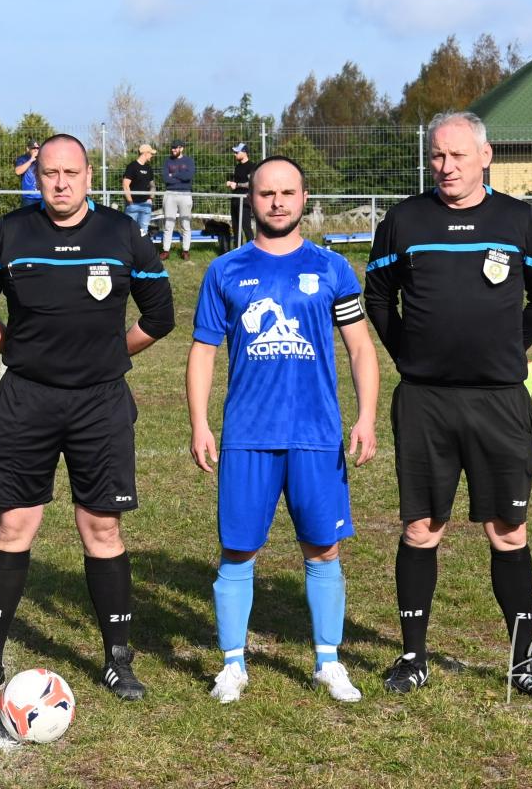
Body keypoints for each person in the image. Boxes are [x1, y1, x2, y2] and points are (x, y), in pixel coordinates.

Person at [0, 134, 175, 702]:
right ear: (38, 178)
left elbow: (160, 315)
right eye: (49, 173)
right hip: (27, 401)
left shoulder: (121, 233)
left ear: (88, 176)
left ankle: (118, 659)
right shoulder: (10, 233)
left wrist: (112, 354)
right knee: (14, 525)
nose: (59, 183)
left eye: (70, 173)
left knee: (102, 528)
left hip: (100, 403)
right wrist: (14, 349)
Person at [363, 111, 532, 702]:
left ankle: (525, 661)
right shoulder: (404, 221)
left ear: (485, 156)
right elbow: (379, 297)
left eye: (456, 155)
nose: (445, 167)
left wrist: (507, 351)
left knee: (509, 530)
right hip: (424, 401)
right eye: (437, 156)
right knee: (421, 528)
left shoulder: (518, 221)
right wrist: (410, 355)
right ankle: (412, 656)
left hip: (498, 401)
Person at [187, 156, 379, 705]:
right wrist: (199, 423)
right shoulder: (225, 270)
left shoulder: (333, 268)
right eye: (267, 193)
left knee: (323, 549)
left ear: (304, 198)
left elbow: (360, 348)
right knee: (238, 551)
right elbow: (203, 352)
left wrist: (366, 416)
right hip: (248, 435)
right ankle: (232, 666)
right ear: (251, 199)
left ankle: (329, 662)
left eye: (287, 192)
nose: (277, 202)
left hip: (317, 435)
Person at [161, 138, 196, 260]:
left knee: (185, 223)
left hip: (185, 194)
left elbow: (188, 176)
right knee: (168, 223)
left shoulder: (189, 161)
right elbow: (166, 178)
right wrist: (180, 176)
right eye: (172, 147)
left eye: (176, 148)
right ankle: (166, 250)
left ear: (182, 148)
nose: (173, 150)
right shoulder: (167, 161)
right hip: (169, 193)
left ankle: (185, 250)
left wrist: (174, 175)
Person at [122, 143, 158, 236]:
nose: (152, 155)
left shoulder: (148, 168)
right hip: (133, 204)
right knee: (130, 230)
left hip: (146, 205)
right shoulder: (132, 166)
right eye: (151, 153)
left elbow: (152, 185)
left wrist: (150, 198)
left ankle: (142, 246)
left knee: (143, 232)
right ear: (145, 153)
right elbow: (125, 185)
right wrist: (130, 202)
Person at [226, 142, 255, 245]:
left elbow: (251, 183)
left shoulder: (252, 166)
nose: (235, 154)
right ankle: (238, 249)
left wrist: (237, 185)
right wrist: (231, 183)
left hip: (245, 200)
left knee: (246, 226)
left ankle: (251, 249)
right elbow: (236, 182)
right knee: (235, 227)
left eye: (237, 152)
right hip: (235, 199)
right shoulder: (237, 167)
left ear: (244, 152)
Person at [14, 139, 41, 207]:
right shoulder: (22, 159)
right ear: (28, 149)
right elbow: (18, 172)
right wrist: (31, 160)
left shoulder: (42, 159)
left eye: (37, 148)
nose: (36, 150)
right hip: (28, 197)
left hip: (42, 196)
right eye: (33, 148)